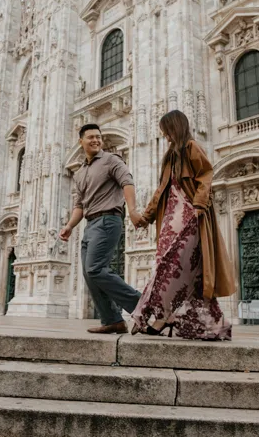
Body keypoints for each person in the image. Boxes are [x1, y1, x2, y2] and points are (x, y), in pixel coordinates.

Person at [130, 110, 234, 341]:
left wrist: (198, 205)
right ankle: (164, 317)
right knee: (168, 265)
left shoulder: (191, 148)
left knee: (180, 267)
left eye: (166, 131)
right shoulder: (171, 156)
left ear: (174, 127)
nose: (165, 136)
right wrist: (147, 217)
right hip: (170, 217)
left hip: (189, 216)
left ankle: (162, 318)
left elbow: (206, 175)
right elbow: (160, 191)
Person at [59, 123, 143, 334]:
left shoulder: (111, 160)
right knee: (90, 274)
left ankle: (144, 306)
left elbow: (127, 182)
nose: (96, 140)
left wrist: (132, 210)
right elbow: (80, 205)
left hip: (108, 220)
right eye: (91, 137)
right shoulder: (80, 173)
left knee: (95, 268)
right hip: (90, 225)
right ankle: (112, 320)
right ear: (81, 141)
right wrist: (69, 226)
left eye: (98, 137)